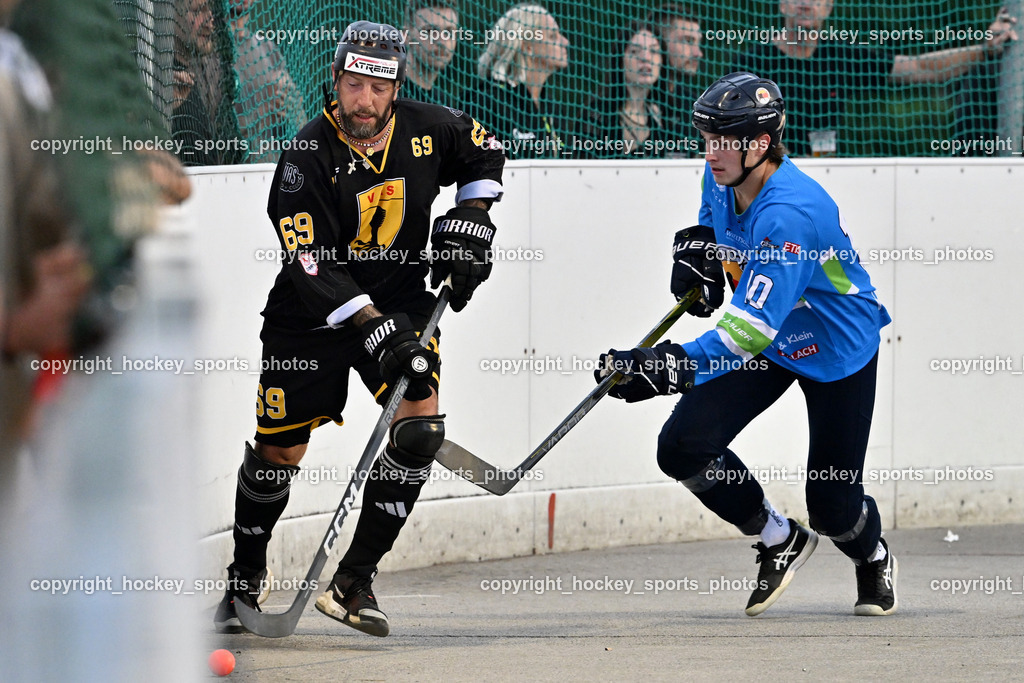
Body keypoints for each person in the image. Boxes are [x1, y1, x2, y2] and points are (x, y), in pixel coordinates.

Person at [213, 20, 505, 638]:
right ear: (336, 82)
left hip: (399, 301)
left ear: (395, 87)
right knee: (278, 453)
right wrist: (375, 326)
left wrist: (472, 222)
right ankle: (242, 584)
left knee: (421, 427)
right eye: (353, 84)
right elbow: (312, 262)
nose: (364, 101)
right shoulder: (304, 157)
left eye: (378, 87)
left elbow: (484, 153)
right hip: (309, 319)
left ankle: (353, 582)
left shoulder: (429, 126)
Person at [598, 72, 896, 617]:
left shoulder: (791, 216)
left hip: (834, 349)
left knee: (834, 509)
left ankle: (872, 554)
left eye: (725, 140)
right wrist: (701, 256)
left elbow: (747, 333)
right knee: (682, 447)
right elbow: (715, 225)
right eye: (707, 138)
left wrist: (668, 366)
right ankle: (779, 537)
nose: (712, 153)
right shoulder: (724, 172)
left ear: (761, 144)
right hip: (772, 338)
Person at [734, 0, 1018, 156]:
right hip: (766, 178)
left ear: (829, 7)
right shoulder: (753, 63)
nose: (806, 4)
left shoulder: (838, 56)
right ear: (782, 5)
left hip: (825, 172)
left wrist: (983, 48)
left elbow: (919, 68)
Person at [468, 3, 569, 159]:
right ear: (527, 47)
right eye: (552, 36)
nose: (565, 42)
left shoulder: (554, 110)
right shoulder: (487, 103)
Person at [579, 23, 672, 159]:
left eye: (654, 51)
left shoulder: (665, 118)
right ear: (620, 61)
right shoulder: (596, 115)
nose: (645, 58)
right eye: (634, 51)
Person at [229, 0, 305, 163]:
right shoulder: (214, 50)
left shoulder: (266, 46)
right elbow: (215, 127)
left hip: (273, 167)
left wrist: (292, 106)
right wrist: (263, 112)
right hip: (233, 173)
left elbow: (297, 116)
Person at [172, 0, 243, 165]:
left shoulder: (211, 77)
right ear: (172, 17)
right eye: (198, 11)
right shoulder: (157, 73)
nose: (210, 20)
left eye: (211, 10)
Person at [651, 3, 704, 155]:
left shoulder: (695, 106)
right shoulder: (628, 103)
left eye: (697, 42)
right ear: (659, 42)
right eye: (687, 41)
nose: (698, 53)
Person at [400, 0, 460, 106]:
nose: (442, 41)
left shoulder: (445, 103)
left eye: (449, 32)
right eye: (430, 31)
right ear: (406, 36)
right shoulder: (388, 92)